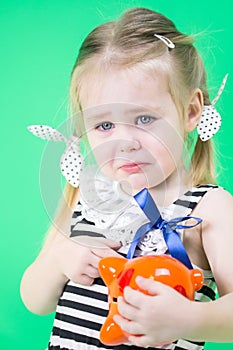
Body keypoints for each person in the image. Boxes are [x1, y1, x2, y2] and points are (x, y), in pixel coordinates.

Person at [20, 7, 233, 350]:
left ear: (191, 111)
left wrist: (187, 319)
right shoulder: (90, 198)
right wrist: (59, 259)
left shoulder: (209, 209)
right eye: (104, 126)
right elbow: (35, 300)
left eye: (145, 119)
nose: (126, 142)